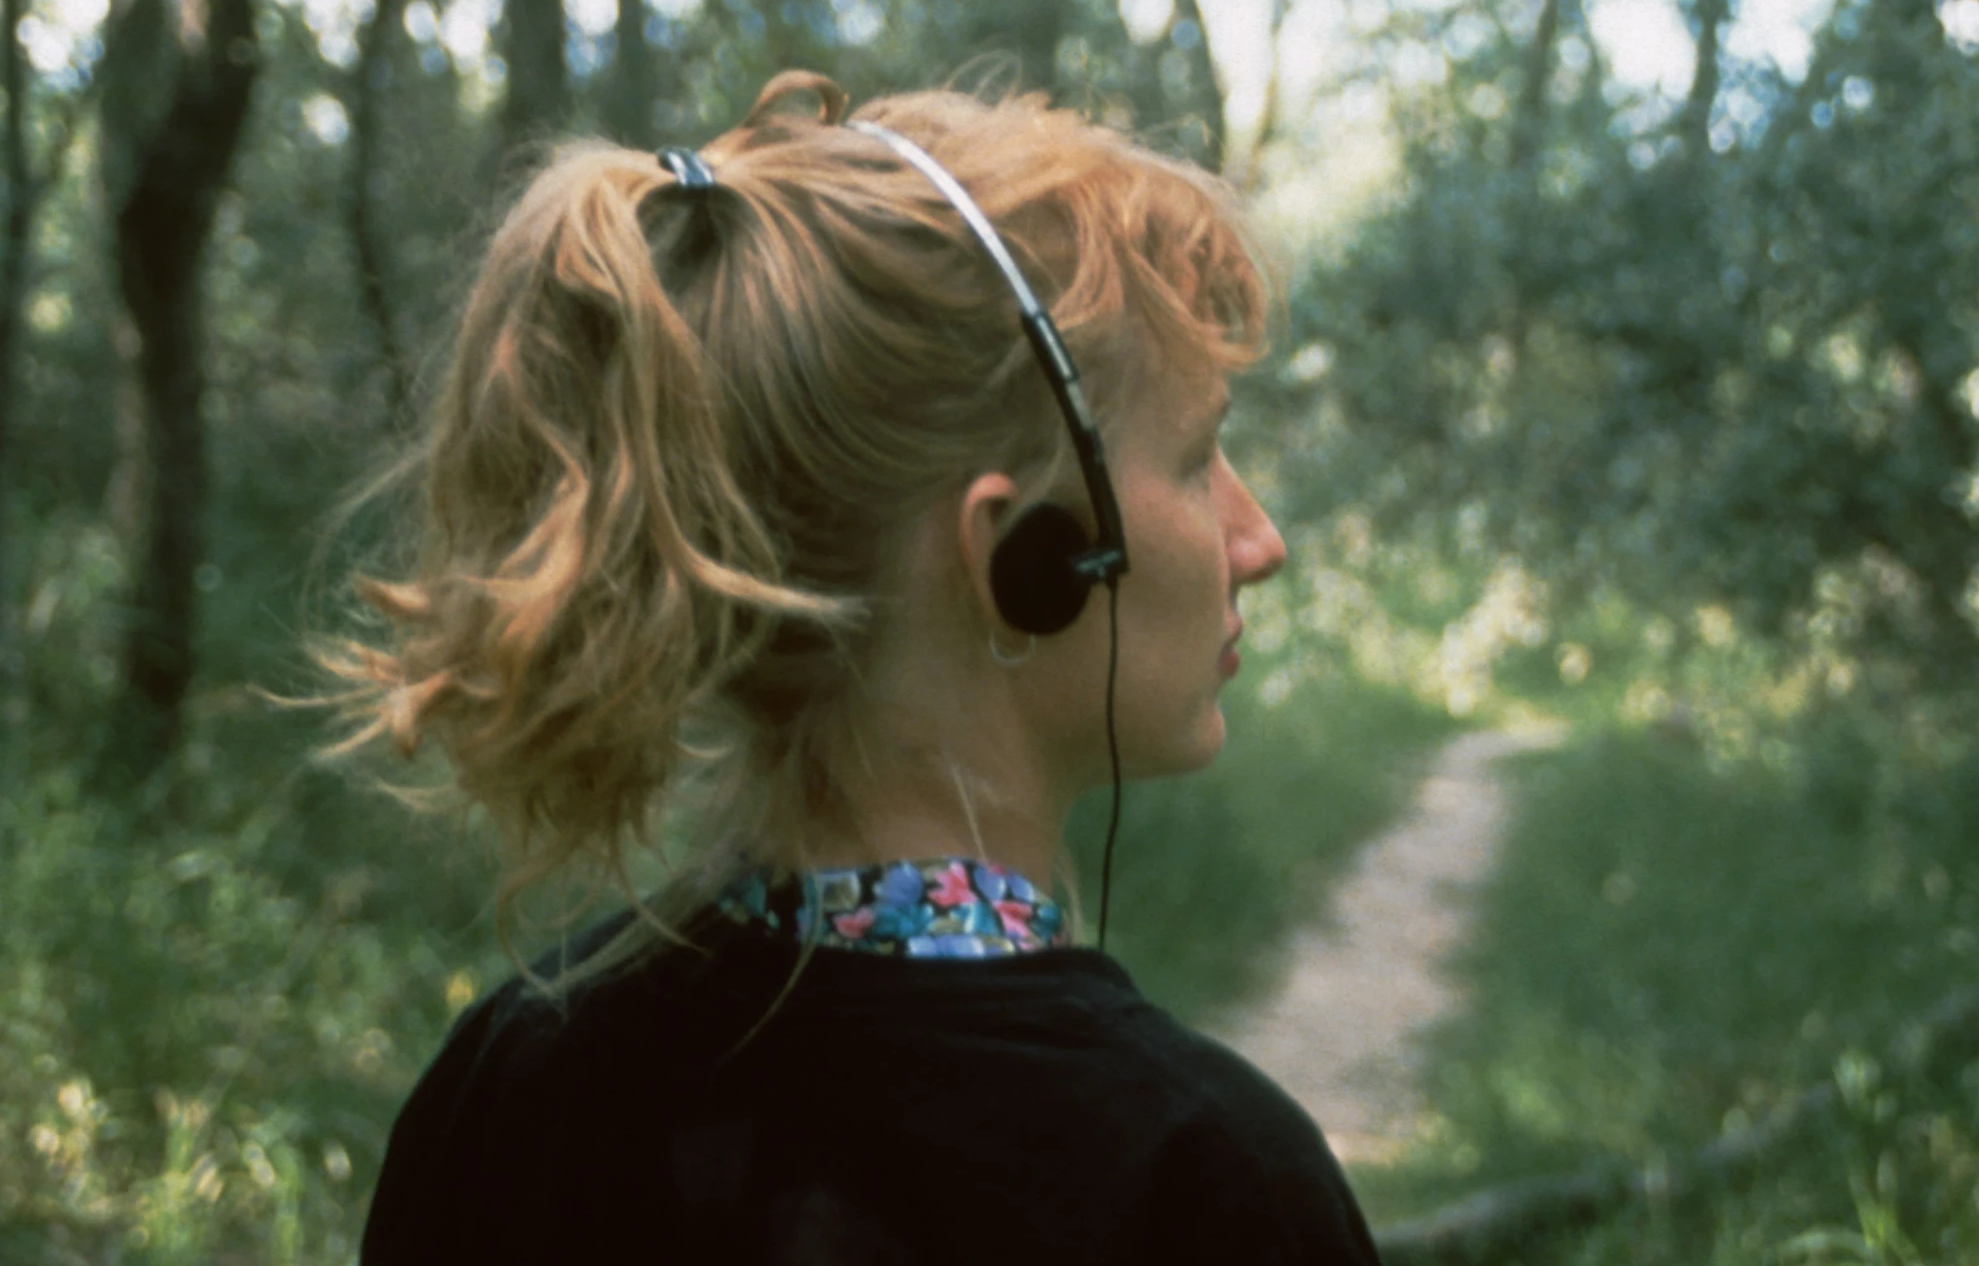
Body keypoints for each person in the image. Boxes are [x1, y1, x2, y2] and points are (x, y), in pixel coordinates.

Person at [332, 69, 1382, 1263]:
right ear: (1022, 554)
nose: (1259, 540)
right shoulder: (1203, 1182)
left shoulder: (508, 1083)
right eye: (1197, 460)